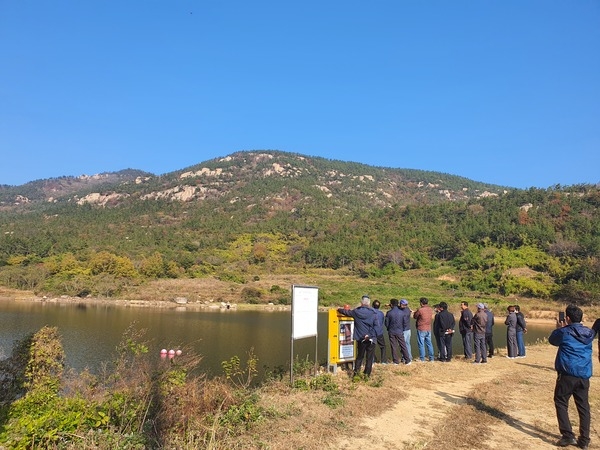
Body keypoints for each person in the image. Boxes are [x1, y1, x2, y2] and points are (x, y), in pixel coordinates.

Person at [549, 304, 595, 449]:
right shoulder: (589, 333)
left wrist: (559, 328)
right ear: (582, 318)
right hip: (584, 374)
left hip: (567, 374)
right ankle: (584, 439)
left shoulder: (564, 332)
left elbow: (552, 340)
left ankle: (568, 436)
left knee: (561, 401)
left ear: (567, 318)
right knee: (583, 407)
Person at [337, 295, 378, 377]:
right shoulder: (374, 313)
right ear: (369, 303)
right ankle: (367, 375)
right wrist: (369, 335)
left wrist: (339, 309)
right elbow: (377, 327)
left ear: (361, 303)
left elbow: (347, 312)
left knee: (360, 357)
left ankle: (356, 375)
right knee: (369, 358)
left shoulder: (356, 311)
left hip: (361, 338)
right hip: (371, 338)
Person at [384, 298, 411, 365]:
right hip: (400, 331)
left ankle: (396, 361)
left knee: (393, 346)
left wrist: (388, 329)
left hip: (392, 331)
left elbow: (386, 323)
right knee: (403, 345)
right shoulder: (402, 312)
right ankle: (407, 360)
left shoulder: (389, 313)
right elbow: (405, 323)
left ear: (391, 304)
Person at [413, 297, 435, 362]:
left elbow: (415, 316)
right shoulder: (430, 309)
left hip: (421, 329)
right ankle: (431, 358)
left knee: (421, 344)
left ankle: (422, 359)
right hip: (428, 328)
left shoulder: (420, 310)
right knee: (429, 344)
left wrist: (415, 311)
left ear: (421, 303)